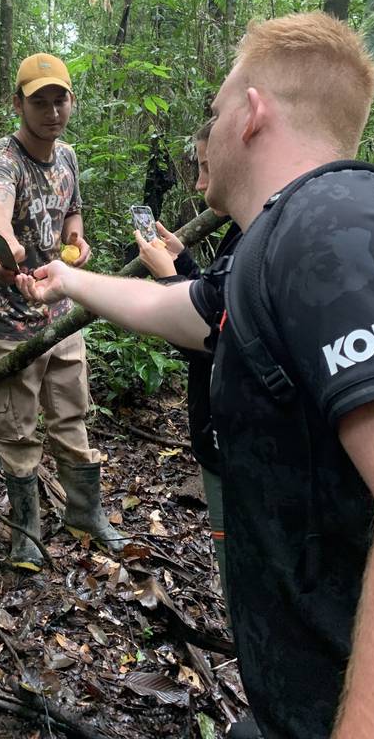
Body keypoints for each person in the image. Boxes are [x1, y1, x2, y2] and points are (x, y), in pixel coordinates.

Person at [16, 12, 374, 739]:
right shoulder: (274, 247)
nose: (204, 136)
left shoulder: (342, 227)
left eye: (212, 115)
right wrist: (68, 279)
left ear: (251, 114)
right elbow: (183, 310)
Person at [0, 53, 124, 571]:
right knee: (17, 426)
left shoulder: (68, 157)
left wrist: (76, 237)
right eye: (40, 102)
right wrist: (4, 243)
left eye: (60, 100)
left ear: (71, 101)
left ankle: (85, 514)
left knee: (71, 413)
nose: (52, 112)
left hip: (59, 313)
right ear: (18, 104)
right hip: (8, 317)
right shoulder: (2, 160)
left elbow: (71, 209)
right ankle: (26, 532)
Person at [136, 121, 239, 612]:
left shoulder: (260, 238)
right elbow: (219, 308)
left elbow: (210, 340)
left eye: (206, 168)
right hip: (220, 439)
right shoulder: (244, 232)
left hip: (234, 449)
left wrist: (170, 281)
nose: (199, 184)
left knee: (242, 579)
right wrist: (184, 266)